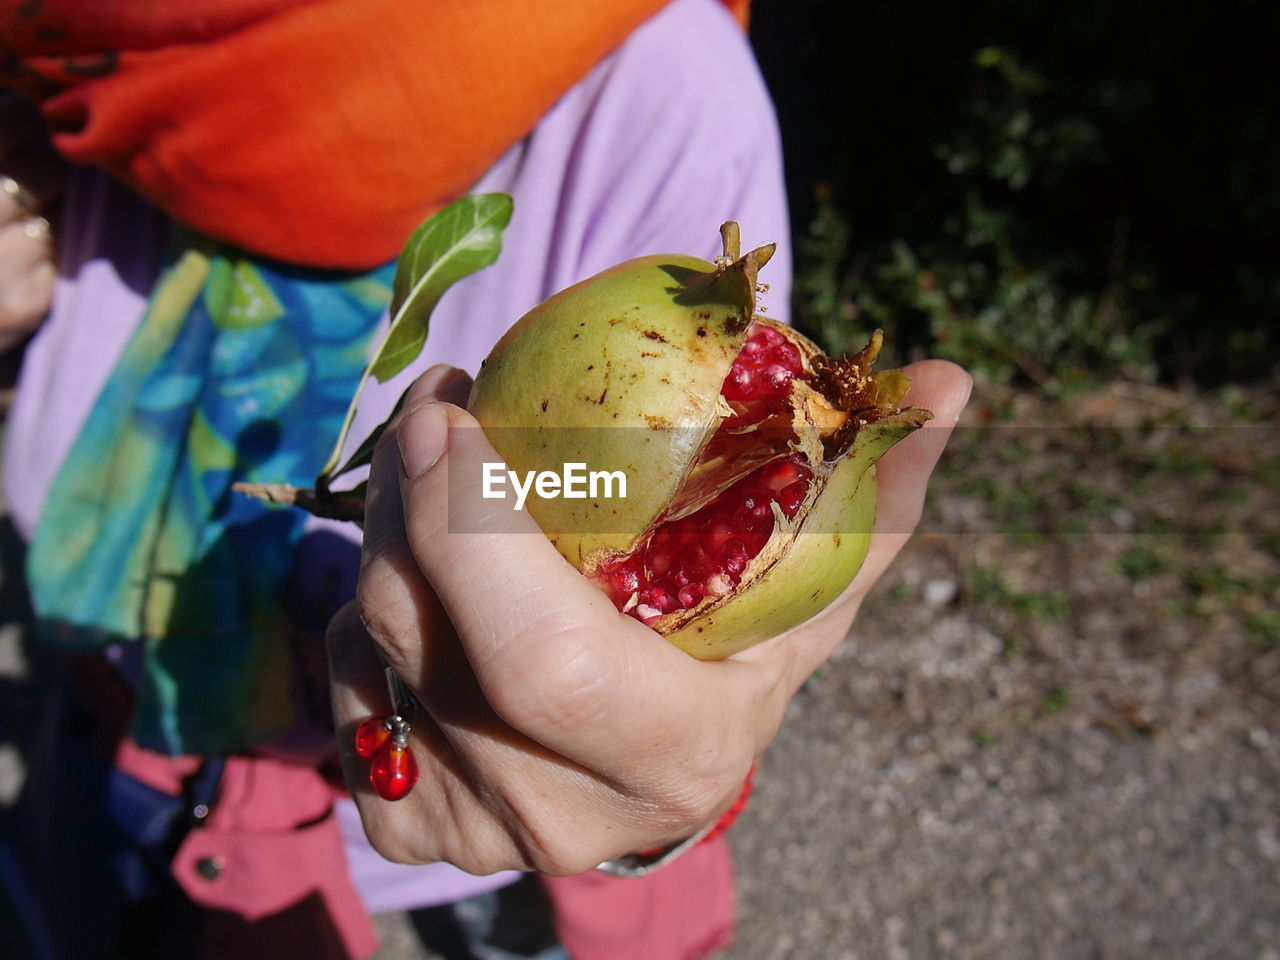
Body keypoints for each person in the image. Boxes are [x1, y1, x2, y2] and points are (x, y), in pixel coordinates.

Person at [0, 1, 971, 958]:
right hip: (115, 740)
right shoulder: (68, 56)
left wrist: (660, 798)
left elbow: (672, 702)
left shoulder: (656, 87)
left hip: (468, 846)